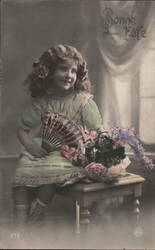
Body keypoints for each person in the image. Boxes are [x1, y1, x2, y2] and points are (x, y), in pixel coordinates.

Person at [12, 44, 103, 231]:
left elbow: (98, 132)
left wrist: (86, 146)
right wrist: (30, 145)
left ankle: (38, 212)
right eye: (63, 69)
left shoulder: (83, 101)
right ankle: (19, 226)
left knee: (52, 170)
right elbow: (22, 130)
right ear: (49, 71)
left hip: (70, 152)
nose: (69, 75)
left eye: (73, 71)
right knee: (22, 169)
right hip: (43, 148)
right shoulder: (42, 102)